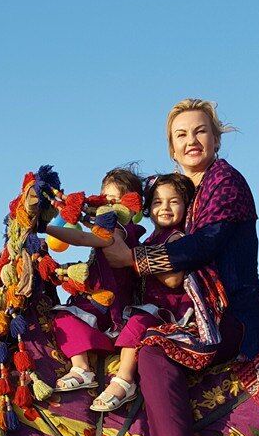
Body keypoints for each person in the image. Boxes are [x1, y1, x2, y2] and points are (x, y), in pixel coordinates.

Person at [104, 99, 259, 436]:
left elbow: (206, 244)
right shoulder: (187, 195)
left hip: (234, 317)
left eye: (200, 131)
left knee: (154, 354)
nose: (191, 140)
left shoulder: (224, 183)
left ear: (215, 139)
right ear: (172, 150)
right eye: (182, 135)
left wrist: (136, 260)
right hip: (201, 312)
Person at [90, 171, 219, 413]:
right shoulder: (150, 240)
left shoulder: (177, 238)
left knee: (139, 321)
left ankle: (124, 380)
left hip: (169, 310)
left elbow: (172, 280)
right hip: (149, 305)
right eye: (158, 202)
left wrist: (134, 258)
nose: (165, 208)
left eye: (174, 201)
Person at [49, 168, 145, 392]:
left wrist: (45, 228)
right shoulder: (105, 225)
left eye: (116, 201)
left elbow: (84, 238)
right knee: (64, 314)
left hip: (114, 306)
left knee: (62, 316)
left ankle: (82, 368)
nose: (110, 206)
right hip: (98, 301)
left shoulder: (120, 230)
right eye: (107, 199)